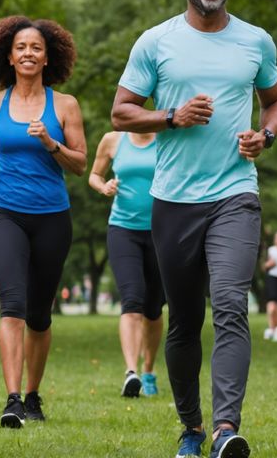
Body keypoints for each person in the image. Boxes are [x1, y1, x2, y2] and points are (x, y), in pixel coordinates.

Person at [111, 0, 277, 455]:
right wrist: (172, 117)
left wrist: (265, 137)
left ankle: (225, 429)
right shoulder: (156, 41)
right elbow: (122, 113)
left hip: (235, 194)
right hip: (173, 201)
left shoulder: (256, 41)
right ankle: (190, 426)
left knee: (230, 306)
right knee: (185, 319)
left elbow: (275, 102)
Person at [0, 15, 86, 428]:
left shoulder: (65, 105)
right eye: (21, 47)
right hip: (5, 212)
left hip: (52, 217)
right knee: (13, 307)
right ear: (8, 55)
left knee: (40, 315)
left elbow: (79, 164)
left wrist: (50, 142)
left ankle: (34, 394)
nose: (28, 53)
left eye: (35, 48)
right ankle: (12, 399)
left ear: (47, 57)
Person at [89, 129, 164, 398]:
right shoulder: (112, 140)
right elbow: (94, 175)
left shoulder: (166, 137)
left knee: (153, 310)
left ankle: (149, 369)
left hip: (161, 232)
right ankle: (131, 373)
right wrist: (103, 185)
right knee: (132, 300)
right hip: (122, 229)